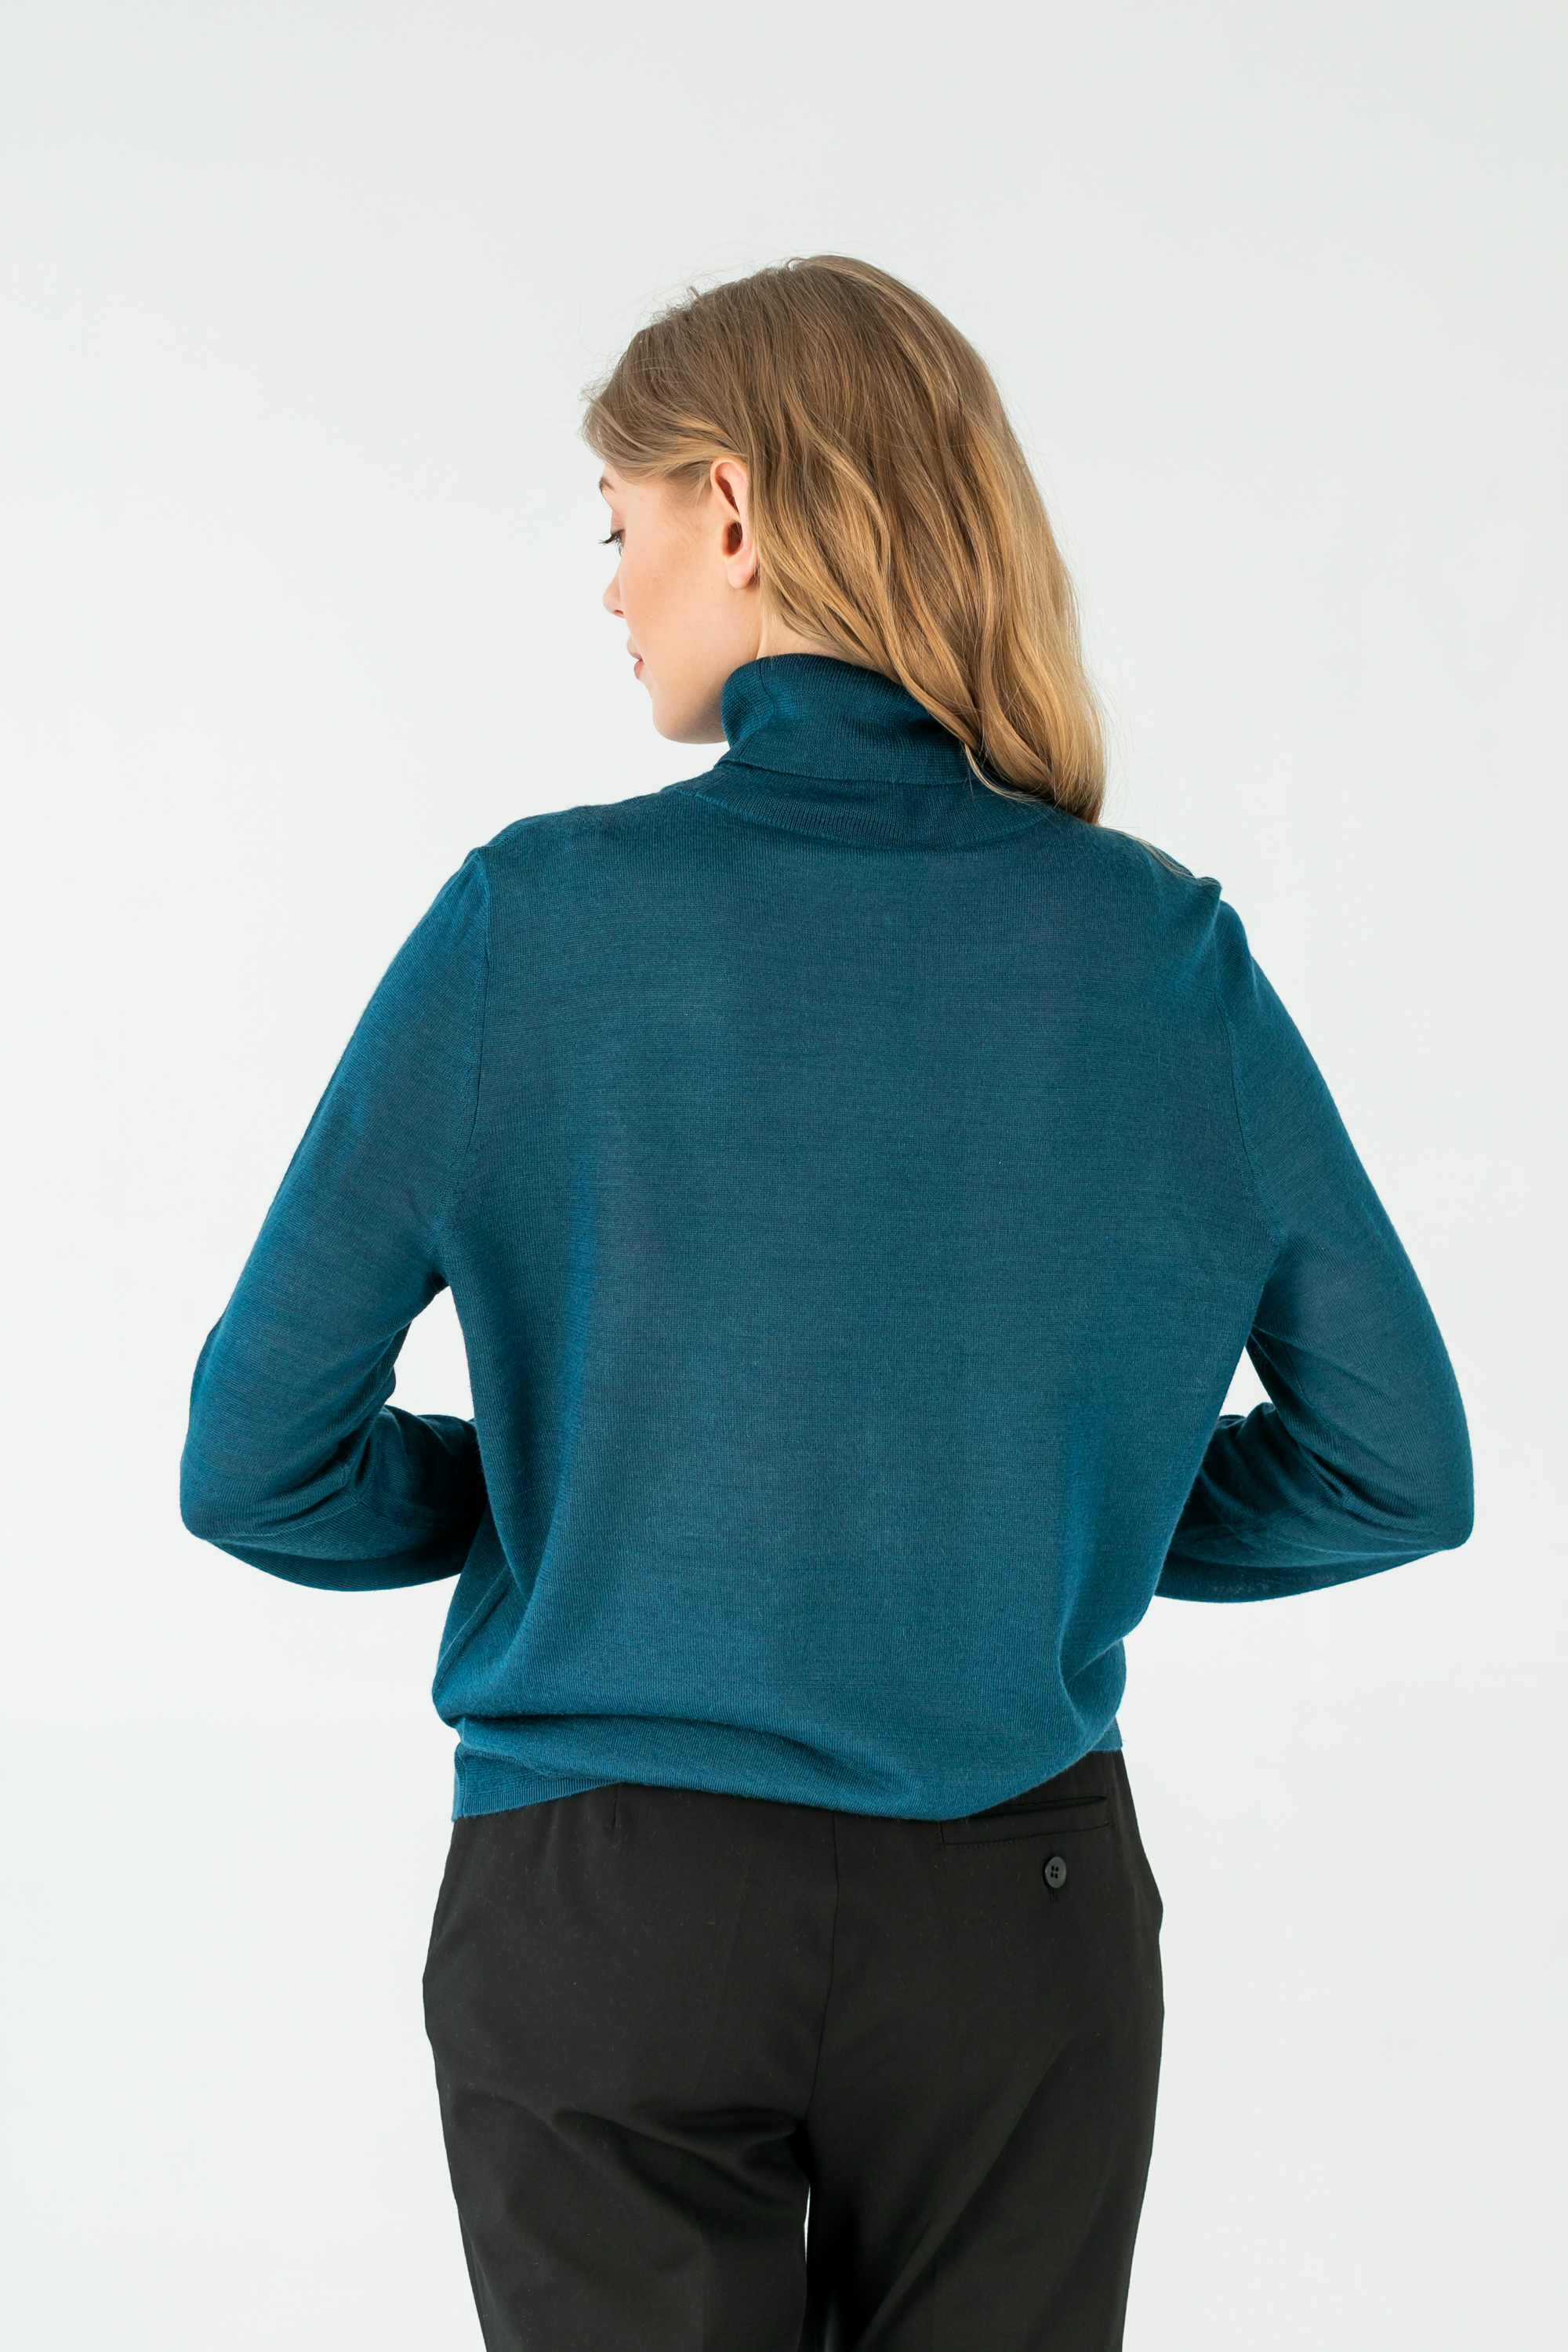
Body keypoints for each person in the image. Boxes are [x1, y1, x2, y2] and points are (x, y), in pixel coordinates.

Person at [180, 256, 1473, 2351]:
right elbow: (1397, 1469)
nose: (611, 590)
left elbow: (257, 1463)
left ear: (736, 510)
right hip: (1016, 1911)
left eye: (620, 524)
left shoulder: (532, 924)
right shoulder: (1164, 959)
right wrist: (1024, 1525)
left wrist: (576, 1503)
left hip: (610, 1907)